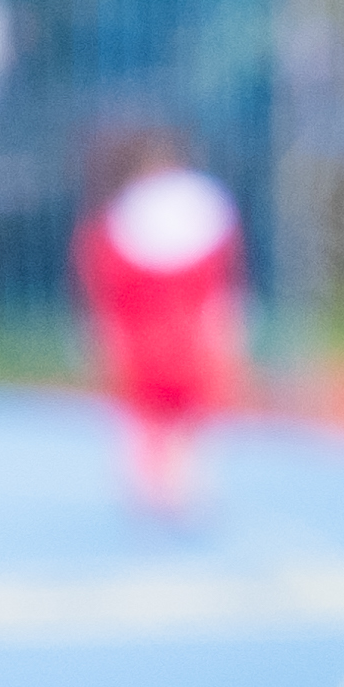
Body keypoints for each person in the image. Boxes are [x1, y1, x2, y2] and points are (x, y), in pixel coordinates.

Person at [72, 126, 244, 521]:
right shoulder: (115, 227)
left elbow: (218, 281)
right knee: (157, 419)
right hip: (155, 337)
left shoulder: (120, 224)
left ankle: (170, 492)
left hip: (171, 336)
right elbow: (103, 290)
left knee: (175, 417)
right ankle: (162, 493)